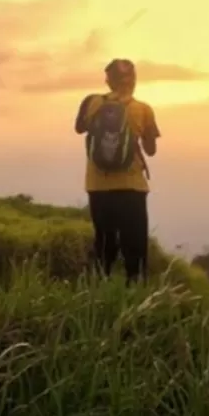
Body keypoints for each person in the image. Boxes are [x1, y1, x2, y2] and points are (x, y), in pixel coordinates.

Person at [74, 59, 161, 285]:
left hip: (98, 185)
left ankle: (99, 289)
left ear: (107, 81)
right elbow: (151, 151)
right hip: (132, 187)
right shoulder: (143, 109)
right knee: (135, 244)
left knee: (104, 241)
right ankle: (135, 291)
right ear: (134, 80)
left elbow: (79, 128)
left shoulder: (92, 102)